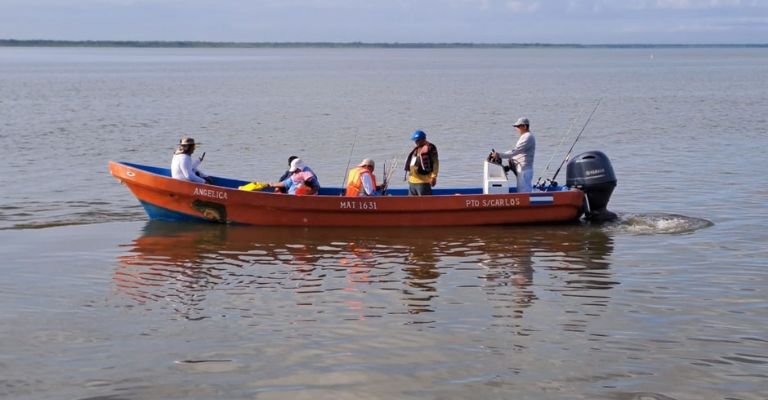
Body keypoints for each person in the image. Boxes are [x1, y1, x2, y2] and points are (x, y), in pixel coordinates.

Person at [492, 117, 536, 193]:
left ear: (524, 126)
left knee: (524, 193)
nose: (517, 129)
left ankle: (525, 204)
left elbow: (515, 151)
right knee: (521, 191)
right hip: (522, 169)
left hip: (524, 170)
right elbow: (517, 152)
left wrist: (499, 155)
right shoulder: (524, 137)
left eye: (518, 126)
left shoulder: (528, 137)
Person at [404, 130, 439, 196]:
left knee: (426, 204)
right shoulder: (416, 149)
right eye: (415, 140)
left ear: (423, 139)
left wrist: (433, 177)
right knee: (412, 205)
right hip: (412, 183)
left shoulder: (431, 148)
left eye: (418, 140)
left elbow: (435, 163)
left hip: (423, 183)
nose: (416, 142)